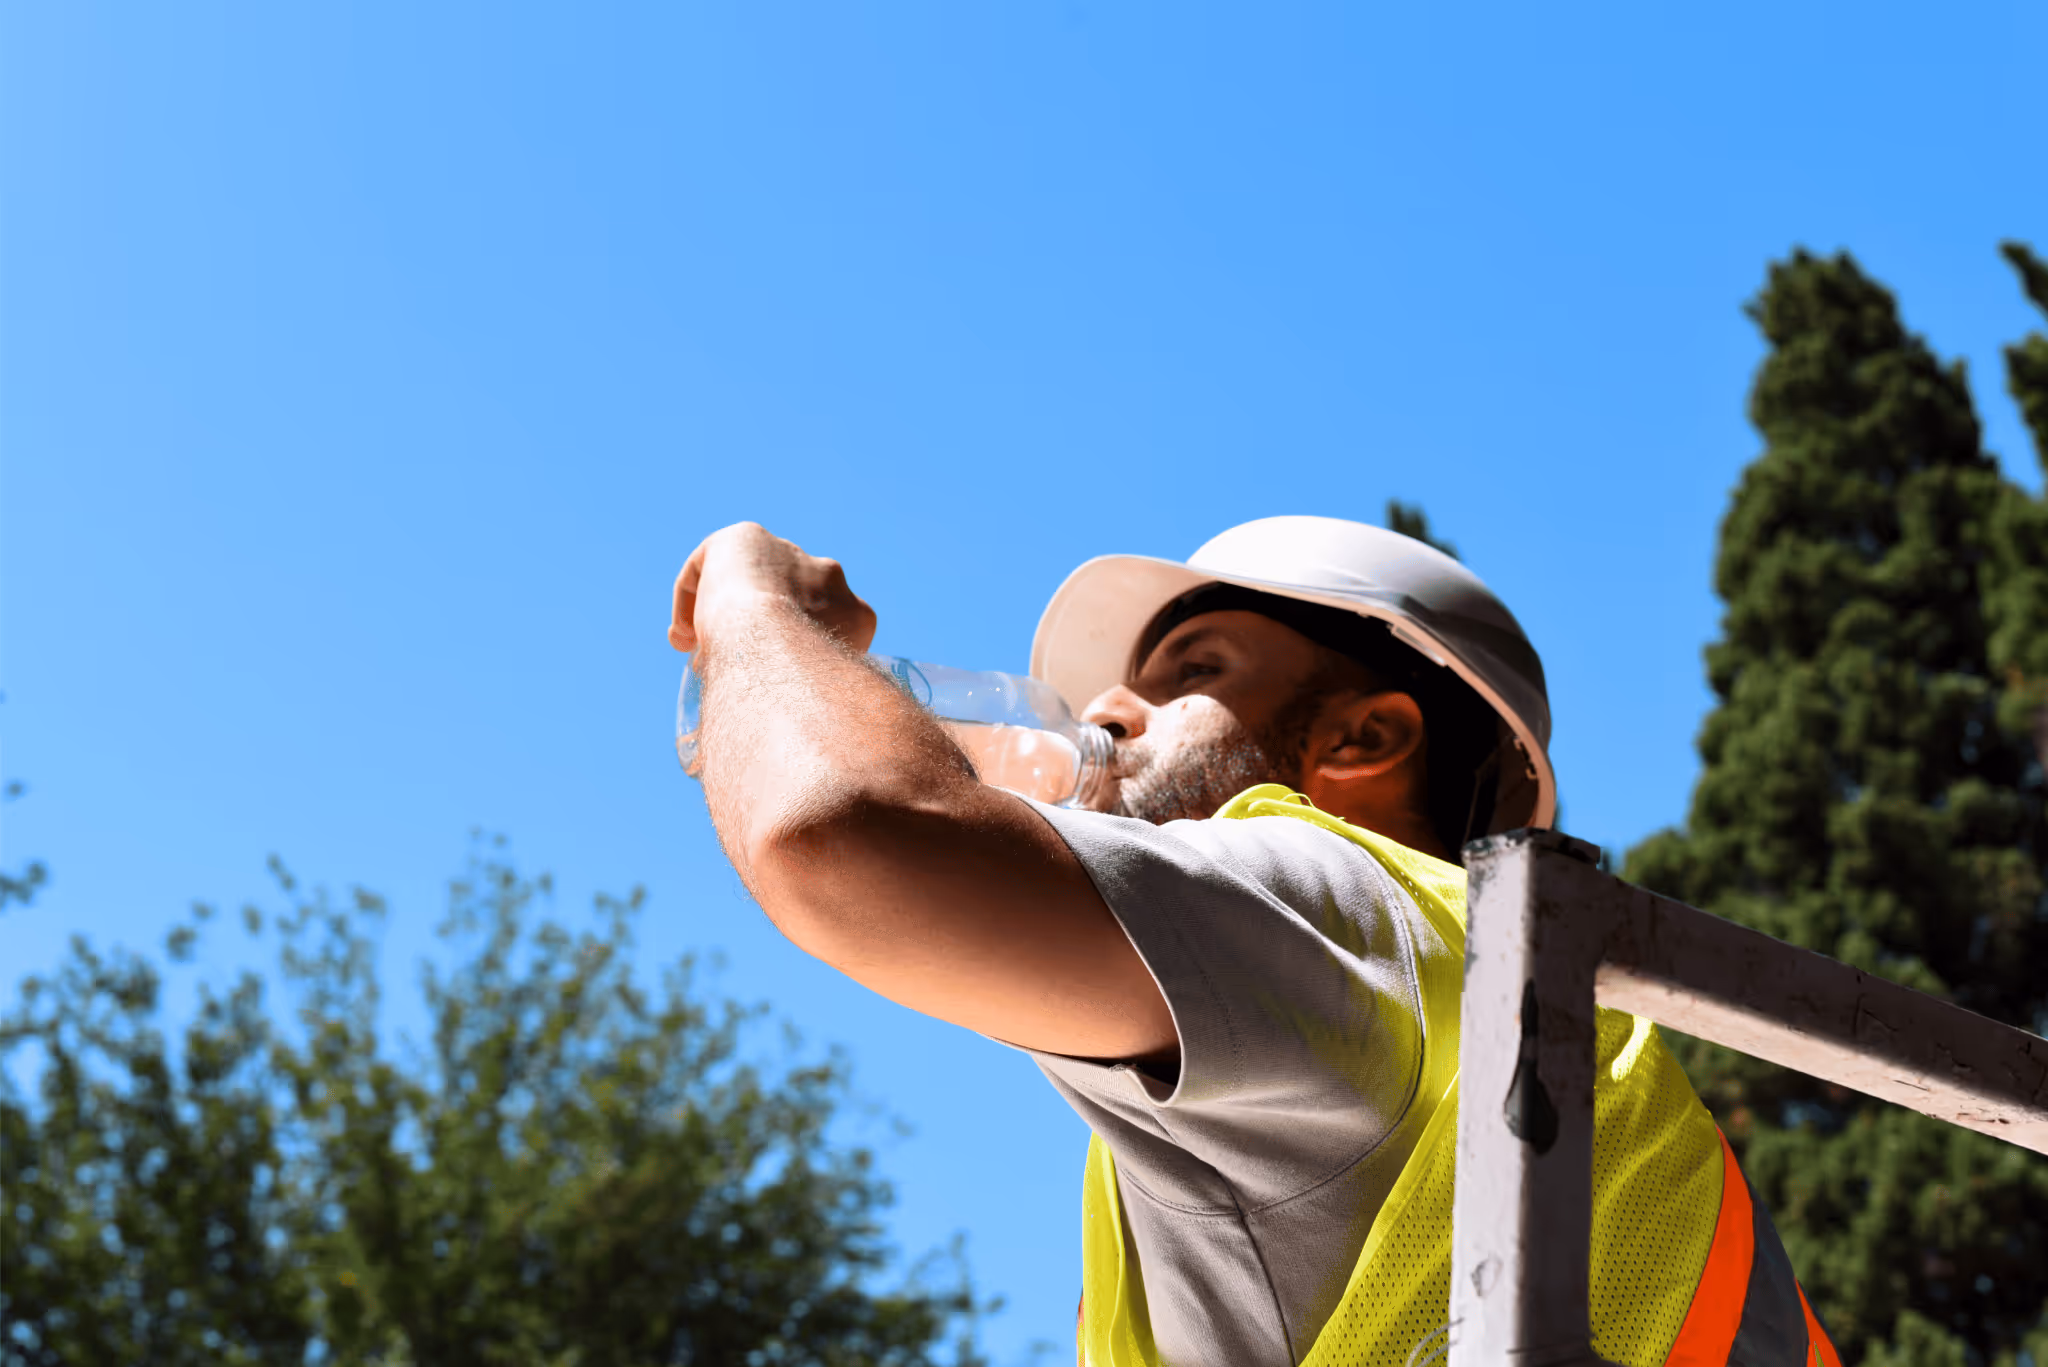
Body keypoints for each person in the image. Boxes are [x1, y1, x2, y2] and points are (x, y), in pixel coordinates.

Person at [668, 515, 1839, 1367]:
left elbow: (841, 835)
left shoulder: (1342, 907)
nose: (1107, 713)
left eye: (1192, 672)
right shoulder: (1503, 1001)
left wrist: (754, 606)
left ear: (1365, 736)